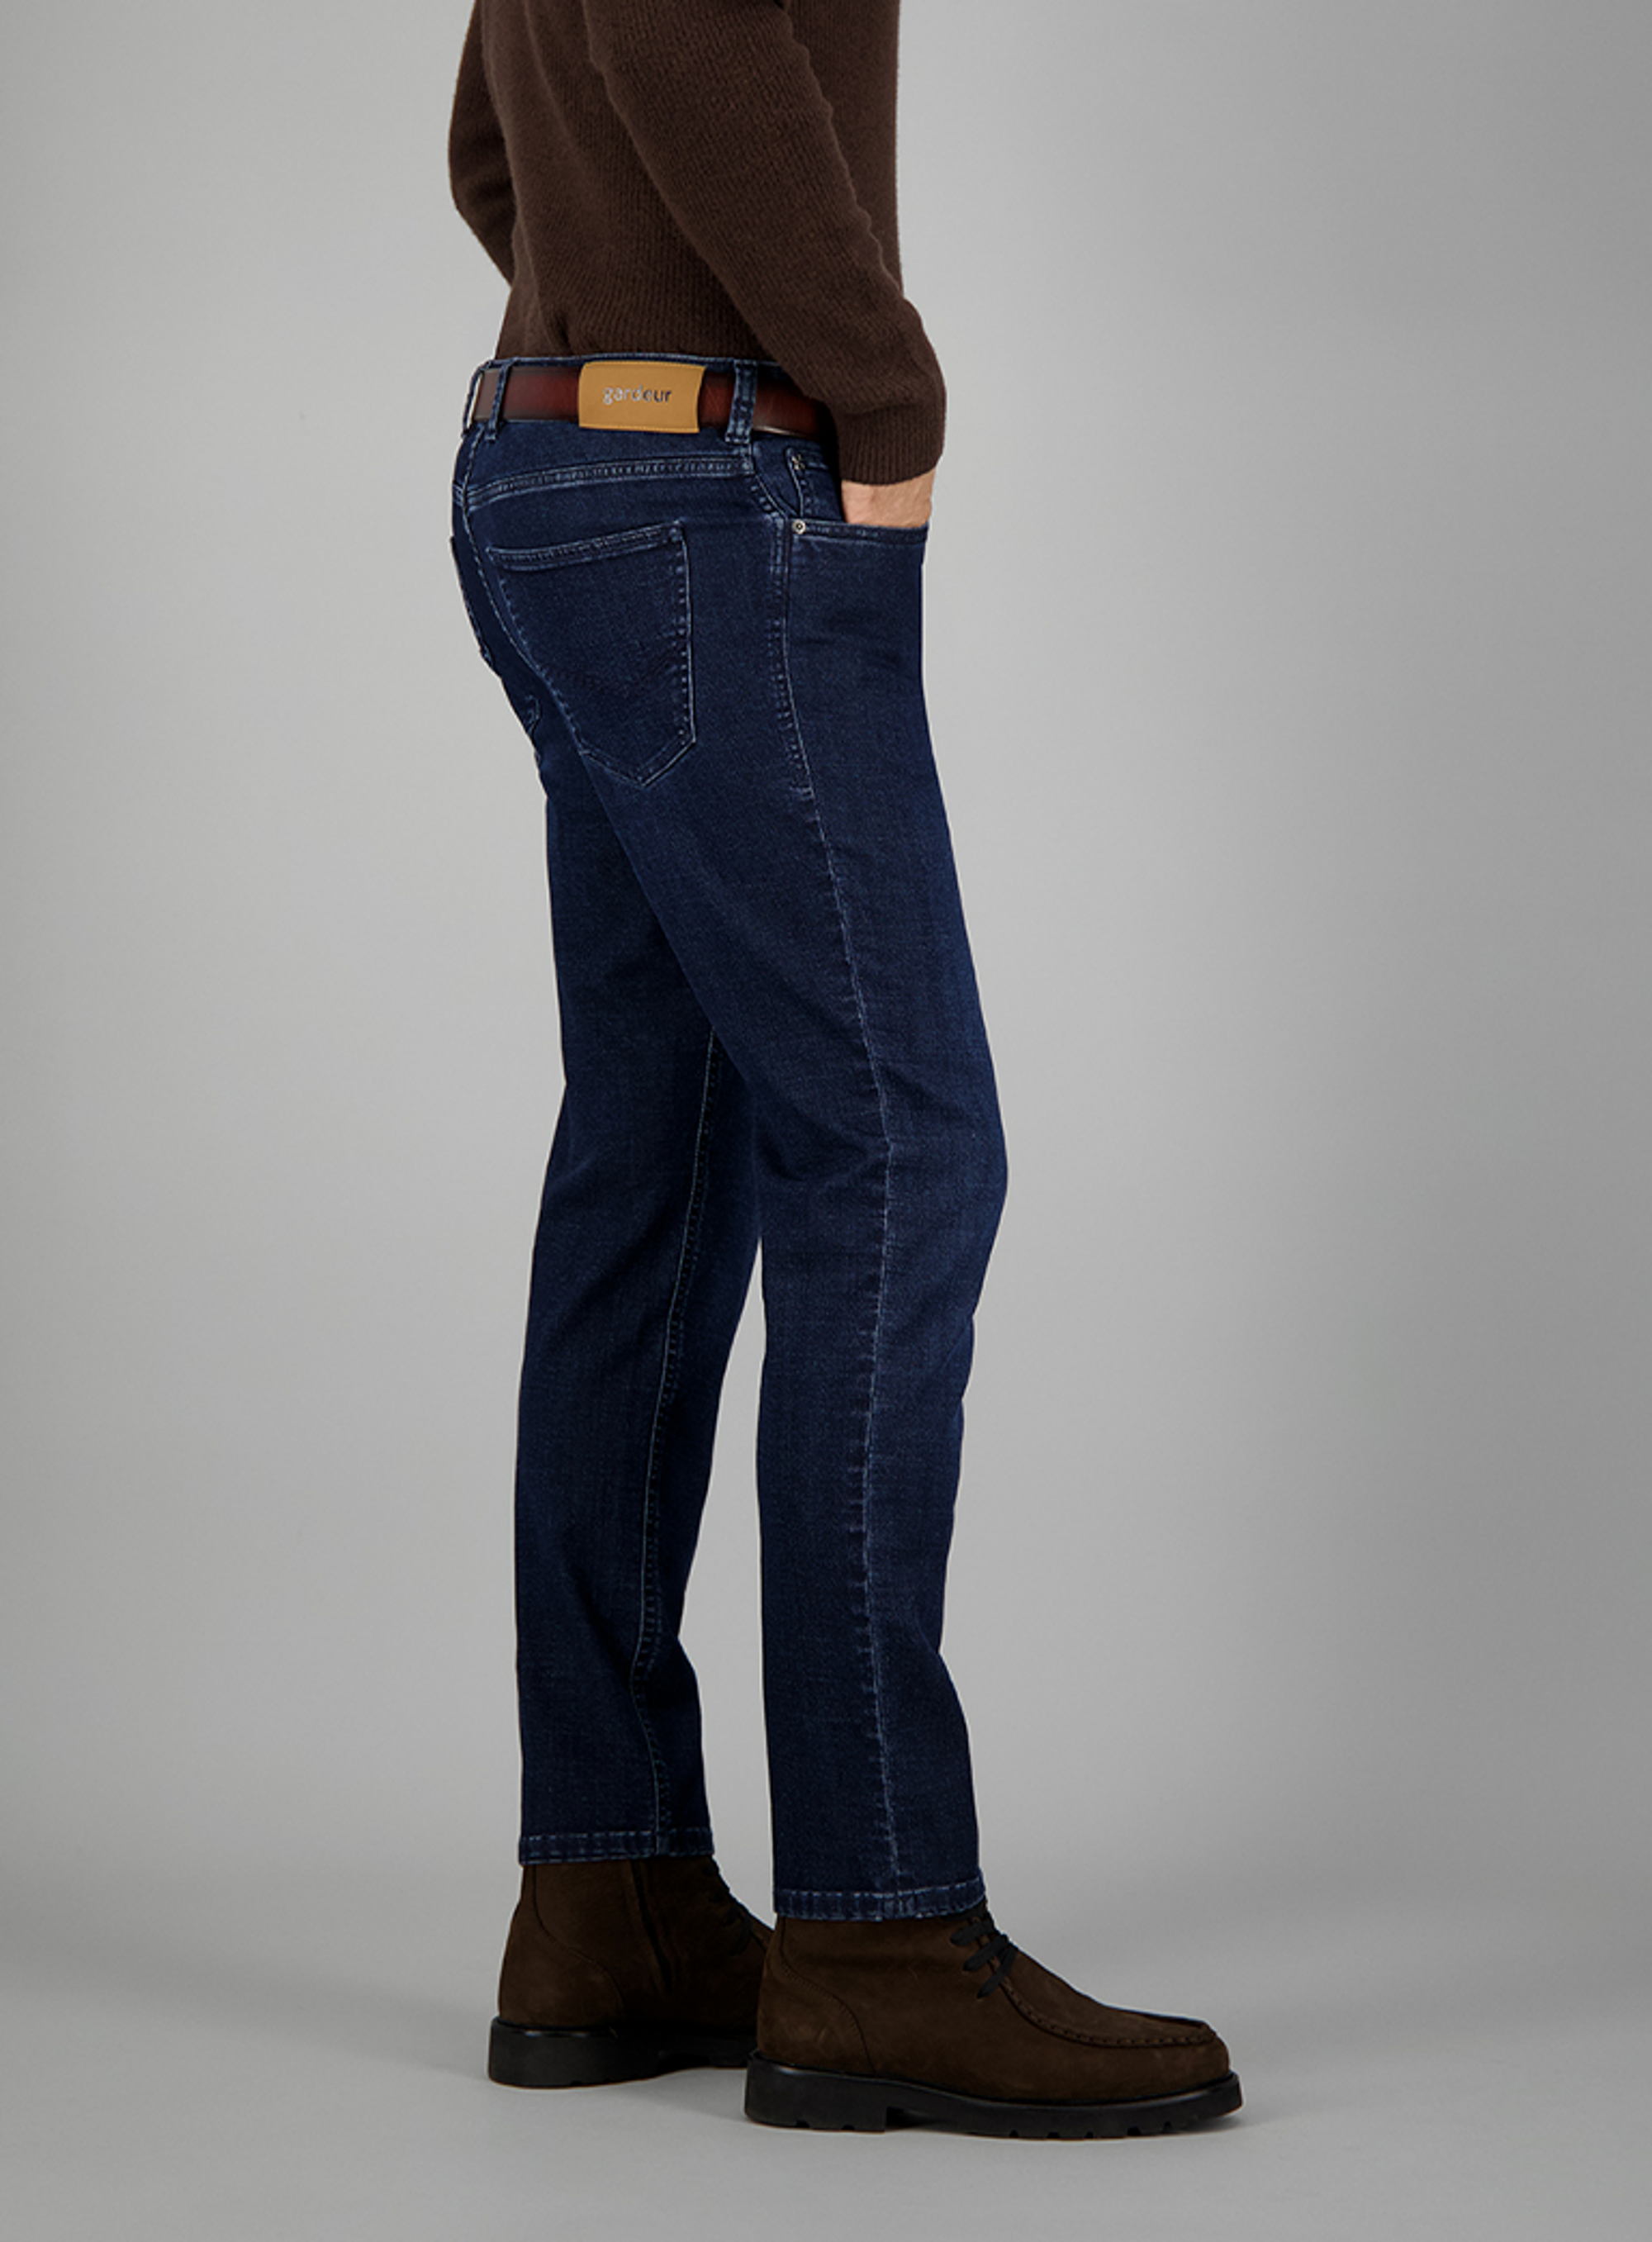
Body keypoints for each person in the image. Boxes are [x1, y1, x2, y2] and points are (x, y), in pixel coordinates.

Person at [448, 0, 1239, 2138]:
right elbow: (681, 45)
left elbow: (492, 154)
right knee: (899, 1155)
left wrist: (620, 329)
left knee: (655, 1161)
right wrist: (875, 385)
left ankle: (606, 1895)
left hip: (555, 464)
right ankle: (879, 1935)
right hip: (719, 486)